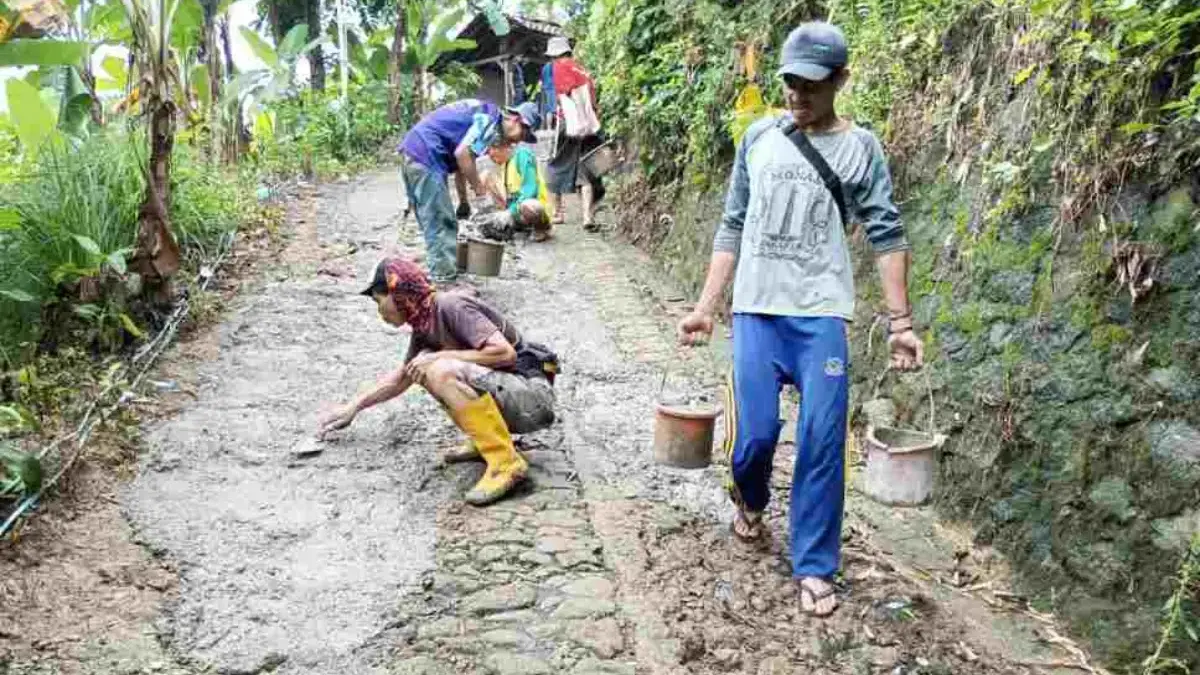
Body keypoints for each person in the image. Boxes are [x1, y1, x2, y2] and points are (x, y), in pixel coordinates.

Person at [676, 21, 925, 618]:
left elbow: (887, 233)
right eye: (790, 81)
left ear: (841, 80)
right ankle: (750, 499)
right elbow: (732, 223)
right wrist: (705, 307)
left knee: (821, 441)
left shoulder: (861, 148)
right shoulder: (758, 138)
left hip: (821, 316)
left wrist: (900, 324)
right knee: (754, 437)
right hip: (756, 311)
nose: (797, 94)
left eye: (812, 84)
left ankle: (814, 564)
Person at [319, 257, 558, 506]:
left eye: (379, 301)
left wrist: (439, 356)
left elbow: (504, 353)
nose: (380, 312)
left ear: (397, 292)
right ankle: (485, 441)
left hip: (533, 397)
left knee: (439, 369)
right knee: (424, 367)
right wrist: (353, 407)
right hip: (514, 396)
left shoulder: (450, 305)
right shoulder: (424, 324)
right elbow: (401, 378)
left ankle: (505, 463)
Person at [398, 100, 541, 284]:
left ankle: (442, 270)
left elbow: (462, 165)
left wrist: (464, 202)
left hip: (415, 152)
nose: (518, 141)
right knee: (441, 221)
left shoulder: (484, 116)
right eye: (523, 134)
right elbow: (463, 154)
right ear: (516, 120)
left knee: (434, 220)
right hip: (426, 154)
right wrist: (481, 193)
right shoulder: (489, 120)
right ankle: (444, 282)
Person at [541, 36, 606, 231]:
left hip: (567, 125)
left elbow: (556, 97)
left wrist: (555, 115)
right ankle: (587, 216)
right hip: (589, 127)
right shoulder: (582, 70)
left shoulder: (554, 68)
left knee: (554, 166)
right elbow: (593, 102)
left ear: (554, 55)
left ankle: (558, 213)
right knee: (584, 169)